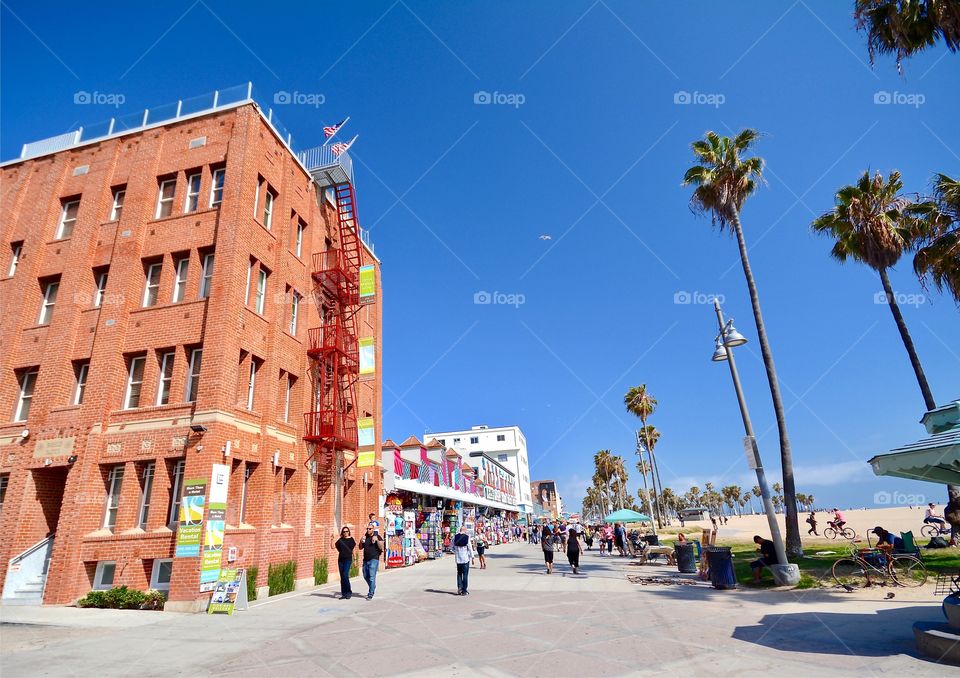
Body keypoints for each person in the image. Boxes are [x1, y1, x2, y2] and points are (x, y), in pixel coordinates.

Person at [359, 522, 383, 599]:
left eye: (370, 529)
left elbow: (381, 547)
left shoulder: (378, 537)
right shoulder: (365, 537)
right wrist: (360, 541)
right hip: (365, 559)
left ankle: (371, 593)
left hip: (374, 559)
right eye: (367, 529)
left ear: (373, 529)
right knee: (365, 576)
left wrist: (377, 541)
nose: (368, 530)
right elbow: (360, 547)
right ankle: (373, 586)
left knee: (372, 577)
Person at [333, 526, 356, 599]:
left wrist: (355, 560)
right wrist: (332, 539)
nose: (345, 533)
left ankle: (348, 592)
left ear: (349, 532)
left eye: (347, 531)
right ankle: (344, 594)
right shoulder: (340, 540)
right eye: (344, 531)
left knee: (345, 575)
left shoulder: (351, 540)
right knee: (342, 577)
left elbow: (354, 550)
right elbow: (333, 547)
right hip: (340, 560)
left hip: (348, 560)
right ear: (342, 533)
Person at [453, 527, 475, 595]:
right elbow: (470, 548)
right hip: (465, 559)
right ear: (465, 530)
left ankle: (459, 588)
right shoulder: (467, 537)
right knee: (465, 575)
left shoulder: (455, 537)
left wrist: (456, 552)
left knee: (459, 574)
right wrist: (472, 557)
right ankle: (464, 590)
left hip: (458, 559)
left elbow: (451, 547)